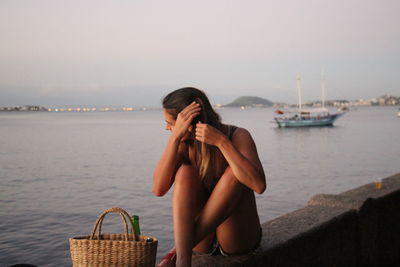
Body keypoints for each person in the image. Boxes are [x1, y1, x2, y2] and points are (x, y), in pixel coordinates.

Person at [153, 87, 266, 267]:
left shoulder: (237, 135)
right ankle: (183, 261)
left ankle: (176, 254)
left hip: (238, 238)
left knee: (234, 173)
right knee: (185, 173)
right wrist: (174, 139)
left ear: (188, 123)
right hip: (201, 244)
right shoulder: (183, 145)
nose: (167, 128)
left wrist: (222, 142)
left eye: (170, 124)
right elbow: (158, 189)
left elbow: (259, 186)